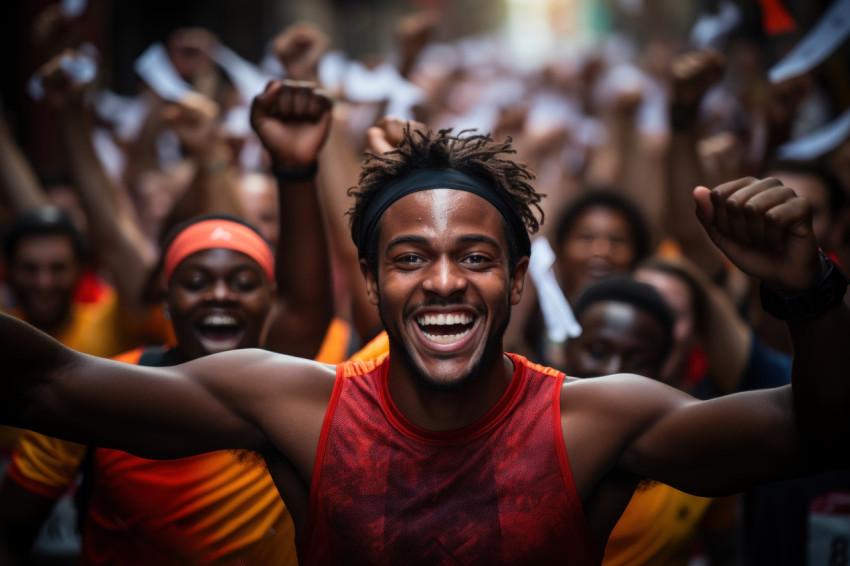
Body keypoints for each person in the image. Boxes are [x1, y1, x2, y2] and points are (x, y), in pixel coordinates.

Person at [2, 123, 849, 565]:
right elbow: (48, 388)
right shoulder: (294, 404)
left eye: (476, 257)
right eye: (410, 259)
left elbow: (813, 435)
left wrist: (808, 292)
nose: (444, 282)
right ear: (371, 285)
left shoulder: (593, 420)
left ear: (518, 282)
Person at [0, 80, 334, 565]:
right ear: (167, 302)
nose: (220, 294)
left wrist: (296, 169)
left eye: (242, 282)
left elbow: (309, 305)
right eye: (196, 281)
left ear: (270, 302)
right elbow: (11, 527)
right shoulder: (98, 392)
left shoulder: (289, 395)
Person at [564, 277, 740, 565]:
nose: (614, 373)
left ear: (661, 367)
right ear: (570, 348)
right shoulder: (522, 438)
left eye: (636, 362)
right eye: (597, 352)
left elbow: (726, 551)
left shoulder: (694, 453)